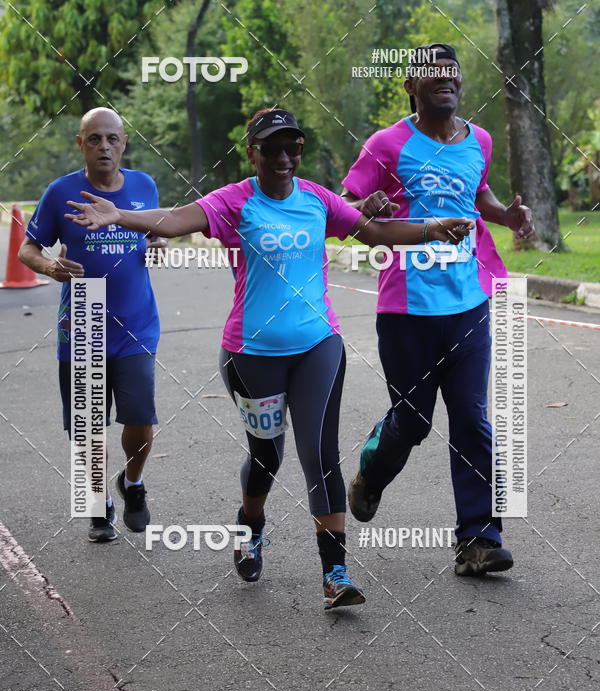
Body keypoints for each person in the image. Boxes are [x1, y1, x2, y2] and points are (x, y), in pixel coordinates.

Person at [63, 107, 473, 607]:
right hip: (250, 356)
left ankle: (336, 574)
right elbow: (175, 220)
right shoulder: (235, 201)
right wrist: (119, 215)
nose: (283, 158)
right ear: (252, 153)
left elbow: (377, 231)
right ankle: (250, 525)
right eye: (272, 148)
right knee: (266, 456)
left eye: (292, 148)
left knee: (319, 453)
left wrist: (433, 228)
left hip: (318, 345)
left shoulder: (317, 199)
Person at [341, 44, 534, 576]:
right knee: (413, 420)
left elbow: (479, 194)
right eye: (434, 71)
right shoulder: (386, 144)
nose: (446, 77)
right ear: (411, 86)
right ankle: (371, 473)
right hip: (406, 309)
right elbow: (344, 209)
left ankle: (479, 538)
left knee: (472, 419)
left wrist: (507, 216)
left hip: (469, 303)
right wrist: (367, 206)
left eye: (453, 71)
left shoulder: (479, 141)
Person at [19, 107, 166, 543]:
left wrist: (157, 240)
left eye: (112, 138)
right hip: (83, 317)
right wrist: (50, 266)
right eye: (95, 138)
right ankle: (98, 503)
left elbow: (154, 229)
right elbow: (28, 249)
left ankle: (133, 483)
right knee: (87, 426)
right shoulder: (60, 192)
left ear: (124, 143)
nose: (104, 146)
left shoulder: (144, 186)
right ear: (80, 144)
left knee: (140, 418)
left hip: (136, 321)